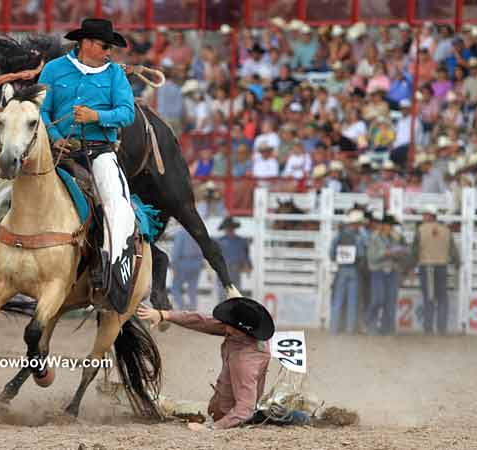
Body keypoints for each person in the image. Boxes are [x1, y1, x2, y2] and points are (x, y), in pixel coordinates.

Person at [39, 18, 136, 312]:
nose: (109, 52)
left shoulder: (116, 74)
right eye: (106, 46)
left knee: (118, 206)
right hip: (56, 151)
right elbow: (41, 109)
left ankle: (113, 278)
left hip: (99, 152)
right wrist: (55, 137)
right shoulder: (53, 70)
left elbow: (127, 113)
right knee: (4, 191)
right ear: (88, 44)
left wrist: (97, 118)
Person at [136, 297, 304, 430]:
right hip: (221, 409)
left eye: (230, 324)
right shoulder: (242, 334)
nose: (225, 326)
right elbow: (202, 320)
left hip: (227, 416)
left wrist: (211, 427)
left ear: (242, 330)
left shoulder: (245, 361)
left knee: (168, 406)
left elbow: (244, 410)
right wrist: (165, 315)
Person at [411, 205, 460, 335]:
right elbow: (453, 250)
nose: (423, 217)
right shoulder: (446, 230)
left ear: (429, 216)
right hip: (442, 266)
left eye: (425, 214)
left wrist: (409, 267)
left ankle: (428, 327)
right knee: (442, 297)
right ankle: (441, 327)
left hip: (427, 265)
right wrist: (457, 263)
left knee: (429, 297)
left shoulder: (420, 230)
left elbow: (414, 251)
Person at [366, 214, 408, 335]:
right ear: (384, 225)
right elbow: (371, 257)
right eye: (390, 225)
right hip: (378, 271)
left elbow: (404, 253)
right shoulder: (374, 238)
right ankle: (371, 325)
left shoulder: (395, 238)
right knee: (378, 299)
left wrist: (398, 253)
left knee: (390, 301)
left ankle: (387, 328)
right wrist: (386, 253)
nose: (391, 228)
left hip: (392, 271)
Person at [329, 209, 367, 334]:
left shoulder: (339, 236)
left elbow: (331, 254)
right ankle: (350, 329)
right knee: (352, 301)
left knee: (338, 300)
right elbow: (361, 254)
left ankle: (334, 328)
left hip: (342, 270)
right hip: (354, 270)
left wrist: (339, 260)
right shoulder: (359, 237)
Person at [216, 217, 252, 301]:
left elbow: (246, 256)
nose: (229, 230)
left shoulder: (241, 241)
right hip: (223, 272)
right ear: (224, 229)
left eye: (231, 228)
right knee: (222, 296)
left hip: (236, 270)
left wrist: (248, 266)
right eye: (227, 228)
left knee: (235, 297)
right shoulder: (219, 242)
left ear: (234, 229)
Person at [170, 225, 204, 311]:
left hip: (183, 262)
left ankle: (182, 307)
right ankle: (193, 308)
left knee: (175, 288)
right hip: (196, 263)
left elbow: (176, 252)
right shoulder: (197, 233)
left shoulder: (181, 233)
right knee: (192, 288)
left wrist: (174, 267)